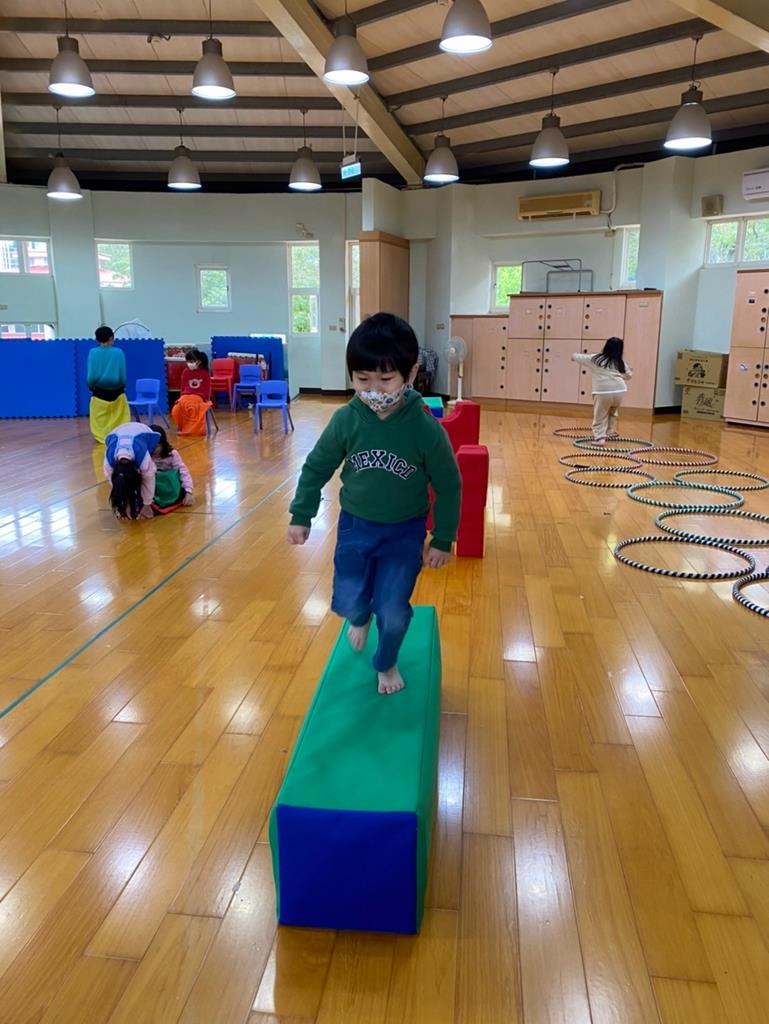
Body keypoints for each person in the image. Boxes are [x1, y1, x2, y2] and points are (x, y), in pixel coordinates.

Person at [286, 313, 462, 696]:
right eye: (362, 379)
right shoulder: (346, 420)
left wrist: (443, 537)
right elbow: (317, 467)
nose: (373, 389)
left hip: (405, 533)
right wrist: (302, 514)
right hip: (356, 527)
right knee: (350, 600)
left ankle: (386, 662)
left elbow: (449, 485)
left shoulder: (424, 429)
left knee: (394, 610)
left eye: (385, 379)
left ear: (410, 374)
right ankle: (360, 616)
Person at [572, 336, 633, 445]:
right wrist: (619, 375)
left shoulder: (596, 359)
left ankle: (600, 438)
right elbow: (629, 376)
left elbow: (580, 357)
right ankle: (609, 431)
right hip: (620, 390)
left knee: (600, 415)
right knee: (612, 412)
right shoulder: (620, 362)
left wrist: (573, 356)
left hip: (602, 392)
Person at [103, 421, 159, 520]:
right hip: (116, 433)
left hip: (143, 431)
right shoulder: (108, 464)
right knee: (123, 484)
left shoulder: (142, 456)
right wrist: (124, 505)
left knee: (147, 473)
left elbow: (149, 478)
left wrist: (147, 504)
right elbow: (117, 484)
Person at [87, 325, 129, 444]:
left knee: (99, 416)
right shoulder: (118, 352)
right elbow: (122, 375)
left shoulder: (93, 352)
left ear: (97, 339)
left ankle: (101, 435)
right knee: (119, 415)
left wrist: (90, 386)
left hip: (99, 390)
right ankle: (119, 434)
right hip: (117, 390)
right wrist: (123, 386)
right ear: (111, 337)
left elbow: (91, 375)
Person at [150, 425, 195, 512]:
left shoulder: (172, 454)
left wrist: (188, 492)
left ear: (163, 444)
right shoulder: (146, 456)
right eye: (151, 446)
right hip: (154, 489)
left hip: (171, 487)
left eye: (157, 446)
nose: (154, 450)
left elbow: (183, 472)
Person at [172, 349, 213, 435]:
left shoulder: (204, 373)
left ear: (198, 362)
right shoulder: (185, 372)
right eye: (188, 361)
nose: (189, 364)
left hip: (198, 396)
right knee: (177, 408)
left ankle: (193, 429)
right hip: (186, 395)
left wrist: (206, 399)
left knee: (194, 407)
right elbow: (183, 386)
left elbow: (207, 388)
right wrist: (181, 397)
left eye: (191, 361)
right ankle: (184, 427)